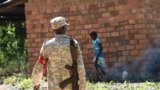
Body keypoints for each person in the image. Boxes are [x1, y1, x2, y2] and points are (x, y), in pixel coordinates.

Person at [31, 16, 86, 90]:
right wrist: (82, 87)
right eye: (65, 27)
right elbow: (80, 68)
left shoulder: (47, 45)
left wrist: (36, 83)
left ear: (53, 30)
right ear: (64, 28)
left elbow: (40, 65)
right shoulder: (73, 43)